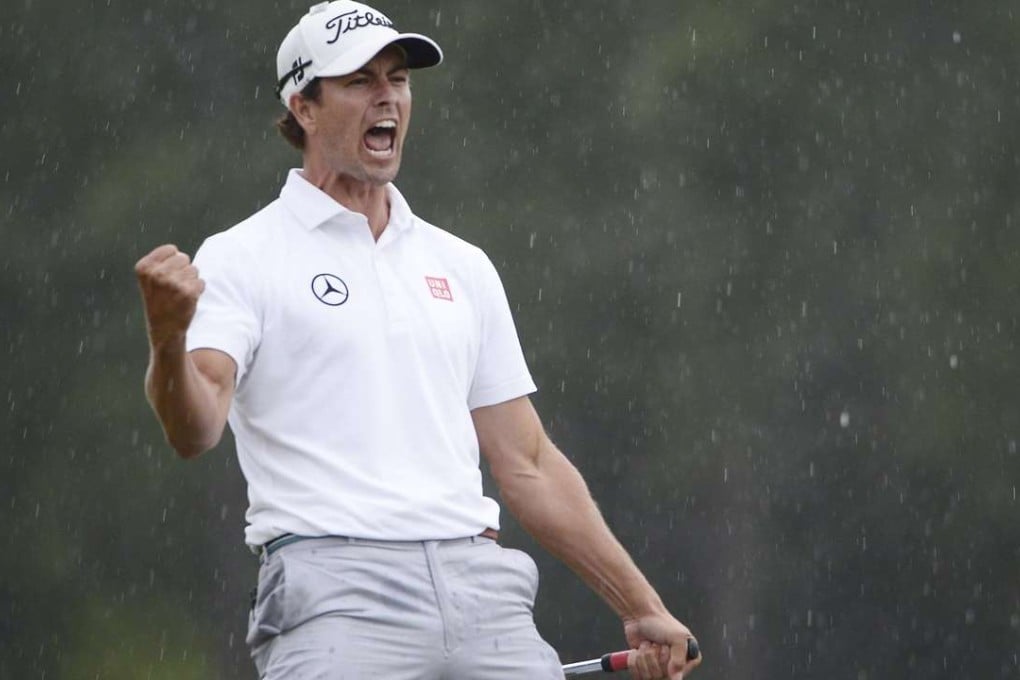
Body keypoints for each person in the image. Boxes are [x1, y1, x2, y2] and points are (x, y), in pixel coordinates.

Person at [134, 2, 701, 678]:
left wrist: (639, 604)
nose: (387, 98)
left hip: (482, 591)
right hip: (331, 596)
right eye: (359, 81)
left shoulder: (461, 265)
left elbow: (528, 464)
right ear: (304, 108)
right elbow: (194, 429)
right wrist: (168, 343)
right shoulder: (241, 257)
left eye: (398, 79)